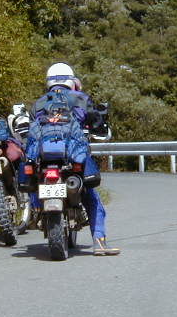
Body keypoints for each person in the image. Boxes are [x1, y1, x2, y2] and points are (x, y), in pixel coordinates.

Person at [30, 62, 120, 256]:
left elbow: (29, 130)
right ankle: (99, 242)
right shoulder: (81, 98)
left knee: (33, 180)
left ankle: (35, 211)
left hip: (43, 157)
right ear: (71, 80)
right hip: (72, 157)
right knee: (91, 196)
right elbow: (96, 122)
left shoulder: (39, 103)